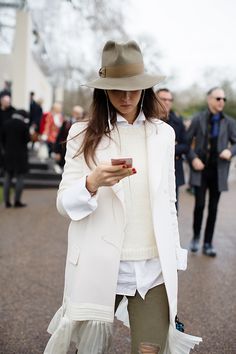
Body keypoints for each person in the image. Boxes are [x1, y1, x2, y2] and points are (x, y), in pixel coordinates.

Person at [44, 40, 201, 354]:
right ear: (103, 90)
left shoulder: (163, 134)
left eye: (134, 88)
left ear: (146, 88)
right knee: (88, 349)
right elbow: (64, 202)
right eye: (117, 89)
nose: (127, 97)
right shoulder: (80, 133)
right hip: (102, 264)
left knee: (150, 350)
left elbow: (168, 202)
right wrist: (92, 182)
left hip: (153, 268)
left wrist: (173, 256)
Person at [187, 87, 236, 257]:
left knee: (213, 208)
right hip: (200, 170)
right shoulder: (198, 118)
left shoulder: (229, 122)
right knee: (199, 205)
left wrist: (231, 151)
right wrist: (193, 158)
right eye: (218, 98)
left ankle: (208, 243)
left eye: (224, 99)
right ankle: (195, 237)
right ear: (209, 99)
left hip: (219, 171)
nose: (221, 102)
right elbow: (186, 143)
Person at [156, 88, 189, 210]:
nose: (167, 102)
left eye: (170, 100)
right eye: (163, 99)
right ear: (155, 100)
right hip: (154, 170)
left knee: (172, 209)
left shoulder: (178, 121)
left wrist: (167, 148)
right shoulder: (146, 120)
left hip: (174, 170)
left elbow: (185, 145)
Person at [1, 109, 30, 207]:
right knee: (20, 178)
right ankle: (17, 201)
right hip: (20, 155)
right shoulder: (24, 126)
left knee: (7, 177)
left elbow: (2, 139)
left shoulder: (6, 124)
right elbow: (27, 139)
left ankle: (7, 202)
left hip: (8, 154)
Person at [53, 105, 85, 170]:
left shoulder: (83, 124)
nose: (80, 116)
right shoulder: (66, 123)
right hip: (65, 152)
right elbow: (60, 138)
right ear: (74, 113)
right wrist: (57, 152)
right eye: (78, 114)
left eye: (81, 114)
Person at [0, 94, 15, 173]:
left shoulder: (12, 111)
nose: (8, 103)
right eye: (6, 102)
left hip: (8, 137)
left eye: (9, 102)